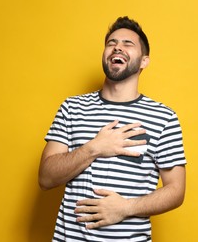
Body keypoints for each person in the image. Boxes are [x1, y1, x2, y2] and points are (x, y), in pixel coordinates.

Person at [39, 16, 187, 241]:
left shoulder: (164, 117)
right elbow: (46, 178)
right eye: (111, 43)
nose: (118, 47)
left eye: (128, 44)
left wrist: (125, 207)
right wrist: (94, 148)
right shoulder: (72, 108)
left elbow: (176, 191)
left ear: (144, 61)